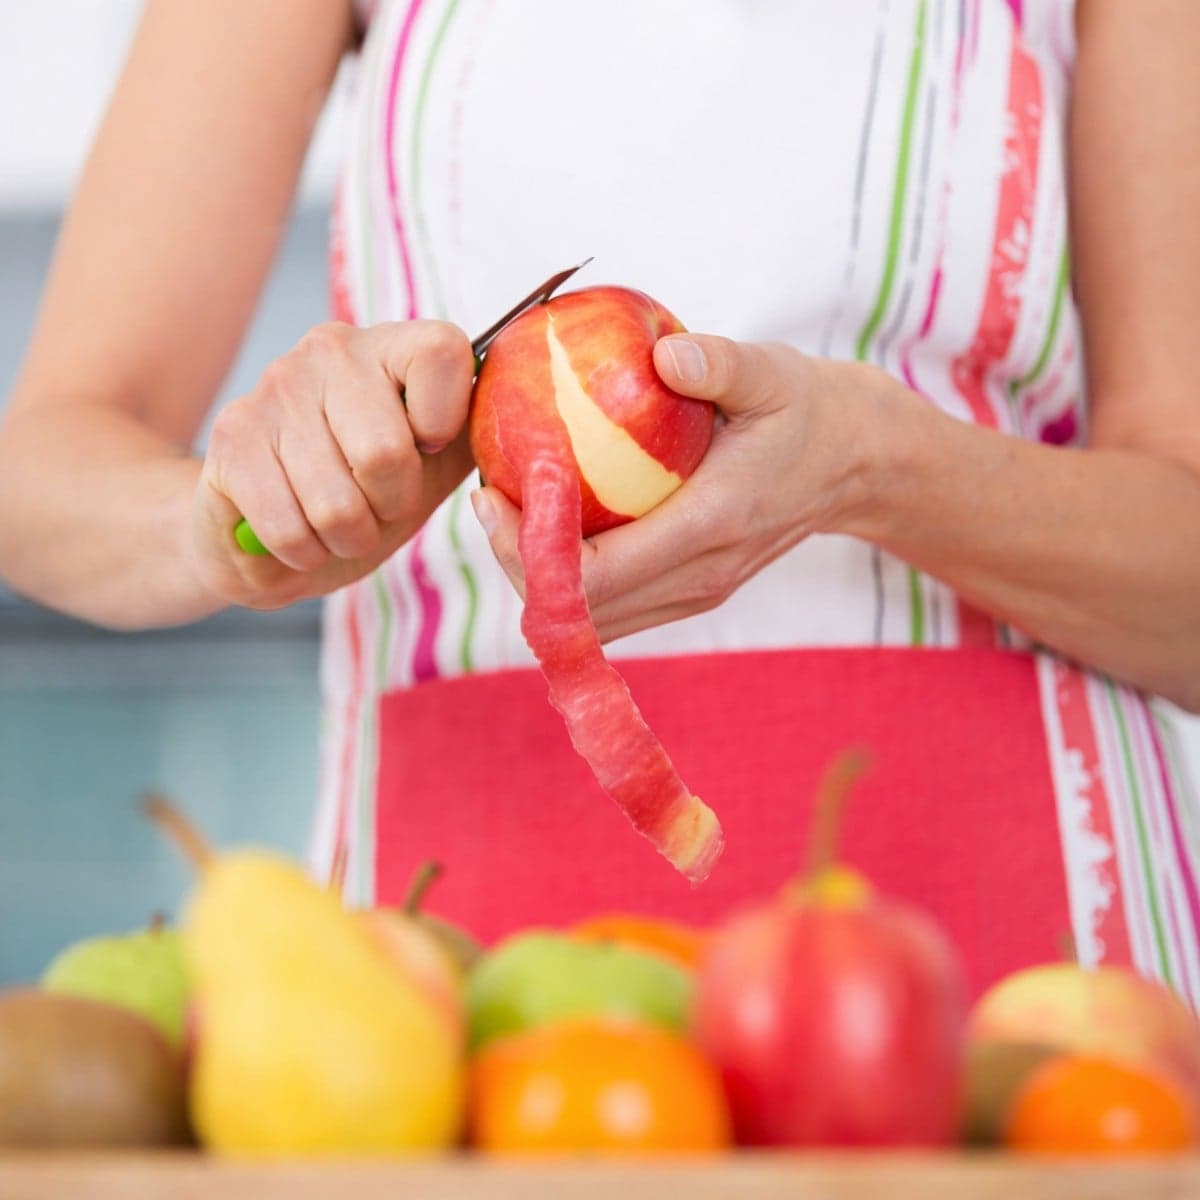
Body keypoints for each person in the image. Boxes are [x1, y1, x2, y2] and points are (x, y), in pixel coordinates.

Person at [1, 0, 1198, 1002]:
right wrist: (226, 526)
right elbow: (44, 472)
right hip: (467, 951)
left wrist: (880, 467)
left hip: (1019, 974)